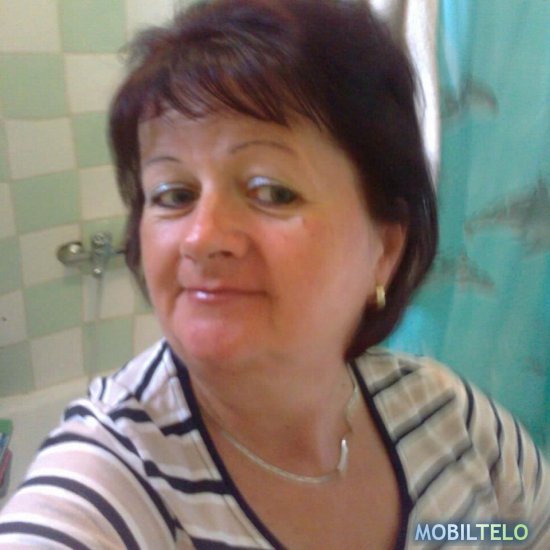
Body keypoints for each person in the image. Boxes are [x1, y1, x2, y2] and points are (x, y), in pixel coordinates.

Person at [0, 0, 548, 548]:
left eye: (272, 191)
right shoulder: (107, 490)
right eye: (173, 195)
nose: (201, 238)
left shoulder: (452, 421)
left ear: (383, 248)